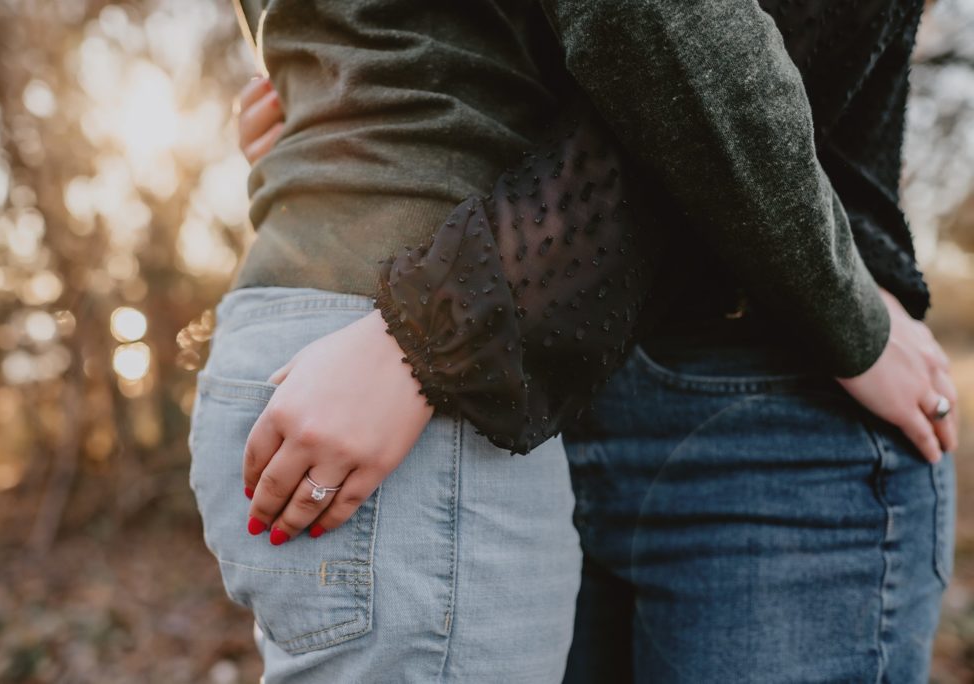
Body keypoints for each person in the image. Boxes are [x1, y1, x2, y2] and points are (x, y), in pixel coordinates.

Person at [195, 0, 957, 681]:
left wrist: (441, 321)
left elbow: (705, 66)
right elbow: (666, 54)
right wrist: (344, 110)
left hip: (769, 407)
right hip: (537, 396)